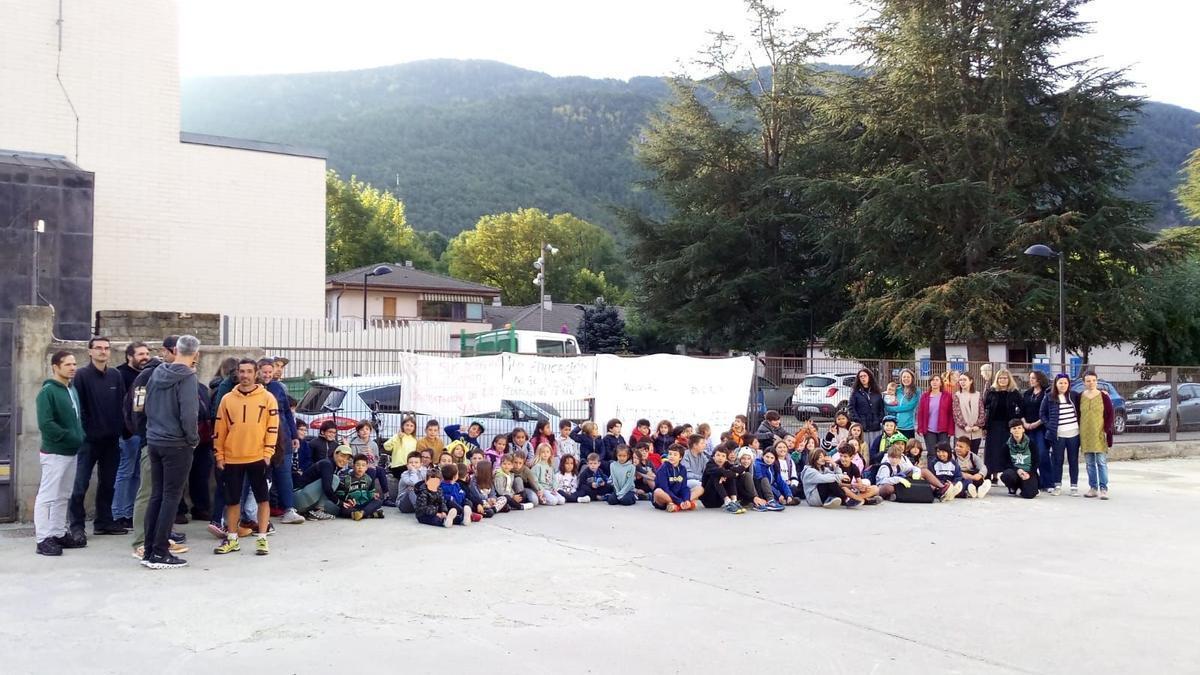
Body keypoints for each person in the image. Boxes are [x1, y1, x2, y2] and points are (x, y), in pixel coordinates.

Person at [140, 335, 202, 569]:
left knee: (157, 495)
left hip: (155, 440)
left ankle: (149, 549)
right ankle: (160, 551)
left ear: (175, 350)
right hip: (176, 444)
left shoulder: (157, 372)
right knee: (170, 497)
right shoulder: (187, 378)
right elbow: (189, 414)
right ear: (196, 354)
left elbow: (147, 406)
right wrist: (192, 439)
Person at [213, 359, 279, 556]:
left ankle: (262, 539)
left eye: (249, 371)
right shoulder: (227, 399)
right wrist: (219, 454)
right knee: (232, 501)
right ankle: (232, 539)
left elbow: (273, 428)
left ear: (256, 373)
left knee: (262, 499)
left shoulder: (268, 398)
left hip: (258, 457)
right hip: (232, 458)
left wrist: (268, 453)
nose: (245, 375)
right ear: (237, 373)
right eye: (242, 371)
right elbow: (219, 429)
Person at [69, 336, 128, 537]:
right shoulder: (81, 375)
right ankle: (76, 526)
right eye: (99, 348)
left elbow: (122, 404)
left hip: (111, 440)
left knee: (108, 484)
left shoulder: (115, 375)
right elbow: (78, 408)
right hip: (88, 441)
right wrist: (86, 431)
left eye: (106, 348)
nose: (103, 351)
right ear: (90, 351)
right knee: (80, 485)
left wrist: (122, 429)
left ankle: (104, 522)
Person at [33, 351, 86, 556]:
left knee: (64, 495)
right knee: (47, 496)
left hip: (71, 451)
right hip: (55, 452)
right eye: (68, 364)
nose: (73, 367)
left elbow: (77, 418)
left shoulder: (71, 389)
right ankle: (43, 539)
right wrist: (68, 436)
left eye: (74, 364)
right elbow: (46, 424)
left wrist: (79, 435)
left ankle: (57, 532)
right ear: (55, 366)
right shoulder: (48, 391)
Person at [113, 341, 150, 529]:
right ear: (129, 356)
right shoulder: (120, 374)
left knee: (137, 474)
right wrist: (125, 430)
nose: (145, 357)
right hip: (127, 434)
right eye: (140, 354)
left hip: (142, 433)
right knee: (125, 473)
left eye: (147, 353)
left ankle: (130, 512)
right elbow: (118, 405)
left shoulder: (146, 375)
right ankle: (119, 513)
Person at [1039, 374, 1081, 496]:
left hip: (1074, 433)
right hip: (1057, 435)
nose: (1063, 385)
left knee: (1073, 460)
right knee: (1057, 460)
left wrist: (1103, 393)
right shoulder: (1049, 397)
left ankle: (1074, 486)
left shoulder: (1074, 395)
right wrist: (1050, 425)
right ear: (1056, 384)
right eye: (1060, 383)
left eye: (1065, 383)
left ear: (1069, 384)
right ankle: (1057, 485)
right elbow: (1042, 414)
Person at [1078, 372, 1115, 499]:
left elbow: (1110, 414)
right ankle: (1093, 488)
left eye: (1093, 380)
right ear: (1084, 383)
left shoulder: (1104, 396)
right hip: (1085, 433)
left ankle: (1103, 488)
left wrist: (1106, 430)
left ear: (1097, 381)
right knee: (1089, 462)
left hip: (1099, 432)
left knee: (1101, 462)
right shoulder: (1080, 396)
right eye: (1088, 381)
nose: (1091, 383)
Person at [983, 369, 1023, 484]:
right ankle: (992, 475)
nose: (1002, 380)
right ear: (997, 379)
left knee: (1006, 451)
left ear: (1009, 379)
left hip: (1008, 427)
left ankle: (1007, 476)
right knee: (992, 451)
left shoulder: (1014, 392)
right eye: (1000, 378)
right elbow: (985, 408)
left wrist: (1016, 420)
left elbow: (1022, 407)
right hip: (993, 426)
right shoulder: (992, 392)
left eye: (1005, 378)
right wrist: (985, 427)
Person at [292, 446, 350, 519]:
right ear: (335, 454)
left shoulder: (333, 467)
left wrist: (347, 499)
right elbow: (327, 489)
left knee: (336, 510)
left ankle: (310, 513)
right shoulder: (327, 464)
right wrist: (340, 502)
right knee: (335, 479)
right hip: (298, 497)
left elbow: (336, 489)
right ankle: (318, 510)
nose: (344, 460)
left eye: (347, 458)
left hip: (304, 499)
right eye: (342, 456)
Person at [1022, 371, 1051, 492]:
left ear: (1039, 379)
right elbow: (1021, 410)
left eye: (1033, 378)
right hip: (1027, 428)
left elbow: (1047, 412)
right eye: (1030, 378)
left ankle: (1048, 483)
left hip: (1040, 428)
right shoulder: (1027, 393)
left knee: (1043, 454)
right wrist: (1024, 423)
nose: (1031, 380)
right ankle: (1034, 481)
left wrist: (1036, 423)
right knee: (1030, 456)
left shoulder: (1047, 393)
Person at [336, 454, 385, 520]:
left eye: (363, 465)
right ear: (353, 466)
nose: (360, 467)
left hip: (364, 504)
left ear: (366, 467)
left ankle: (361, 513)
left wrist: (373, 495)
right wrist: (347, 499)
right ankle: (369, 514)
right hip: (353, 505)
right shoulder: (347, 479)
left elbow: (370, 492)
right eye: (358, 465)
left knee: (378, 501)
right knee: (343, 510)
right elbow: (340, 493)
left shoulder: (368, 479)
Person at [999, 419, 1039, 499]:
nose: (1017, 430)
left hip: (1028, 472)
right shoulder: (1006, 446)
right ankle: (1013, 487)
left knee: (1029, 495)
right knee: (1006, 475)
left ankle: (1025, 487)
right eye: (1014, 428)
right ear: (1010, 430)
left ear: (1023, 429)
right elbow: (1004, 463)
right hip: (1014, 472)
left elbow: (1036, 461)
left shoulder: (1031, 444)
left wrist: (1030, 473)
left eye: (1019, 428)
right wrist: (1017, 470)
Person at [699, 444, 744, 513]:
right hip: (708, 499)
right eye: (718, 455)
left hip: (719, 500)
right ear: (713, 457)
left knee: (729, 476)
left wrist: (727, 475)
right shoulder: (710, 465)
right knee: (717, 475)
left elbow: (741, 468)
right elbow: (720, 471)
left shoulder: (726, 464)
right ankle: (728, 502)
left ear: (726, 459)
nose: (720, 458)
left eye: (723, 456)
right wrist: (733, 474)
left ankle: (734, 501)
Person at [848, 368, 885, 452]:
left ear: (869, 377)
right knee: (863, 450)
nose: (863, 378)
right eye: (861, 377)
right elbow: (851, 408)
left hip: (875, 427)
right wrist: (858, 421)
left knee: (875, 449)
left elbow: (881, 408)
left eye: (865, 376)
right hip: (862, 427)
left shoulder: (876, 392)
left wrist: (879, 419)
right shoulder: (855, 393)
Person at [652, 444, 697, 512]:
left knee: (700, 488)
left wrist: (686, 499)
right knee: (658, 491)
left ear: (680, 457)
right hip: (665, 497)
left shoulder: (682, 469)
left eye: (675, 455)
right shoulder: (663, 468)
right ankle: (676, 504)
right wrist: (679, 501)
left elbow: (684, 487)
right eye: (670, 454)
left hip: (677, 495)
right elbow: (664, 488)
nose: (671, 456)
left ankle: (682, 504)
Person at [917, 373, 954, 455]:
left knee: (944, 453)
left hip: (944, 430)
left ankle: (944, 468)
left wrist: (950, 429)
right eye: (932, 380)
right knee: (932, 453)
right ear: (930, 382)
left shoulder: (947, 396)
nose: (934, 382)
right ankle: (931, 468)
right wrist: (920, 428)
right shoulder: (925, 396)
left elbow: (951, 414)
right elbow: (920, 413)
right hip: (929, 430)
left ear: (941, 383)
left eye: (937, 380)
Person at [952, 372, 985, 454]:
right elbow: (956, 413)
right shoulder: (957, 395)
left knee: (974, 454)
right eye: (960, 380)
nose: (962, 382)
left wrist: (978, 425)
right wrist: (964, 426)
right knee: (960, 455)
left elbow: (982, 411)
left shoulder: (978, 394)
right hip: (962, 431)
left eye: (964, 380)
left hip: (976, 431)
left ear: (971, 381)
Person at [885, 368, 920, 438]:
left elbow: (909, 407)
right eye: (904, 377)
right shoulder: (897, 390)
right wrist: (888, 407)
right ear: (901, 378)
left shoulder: (916, 391)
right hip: (895, 426)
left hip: (908, 427)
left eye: (908, 377)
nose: (906, 379)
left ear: (912, 378)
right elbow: (887, 403)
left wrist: (891, 409)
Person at [385, 416, 419, 482]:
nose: (409, 427)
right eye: (407, 425)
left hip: (410, 466)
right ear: (403, 426)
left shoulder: (414, 440)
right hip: (398, 466)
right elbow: (386, 446)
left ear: (414, 428)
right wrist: (397, 437)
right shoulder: (398, 436)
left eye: (411, 426)